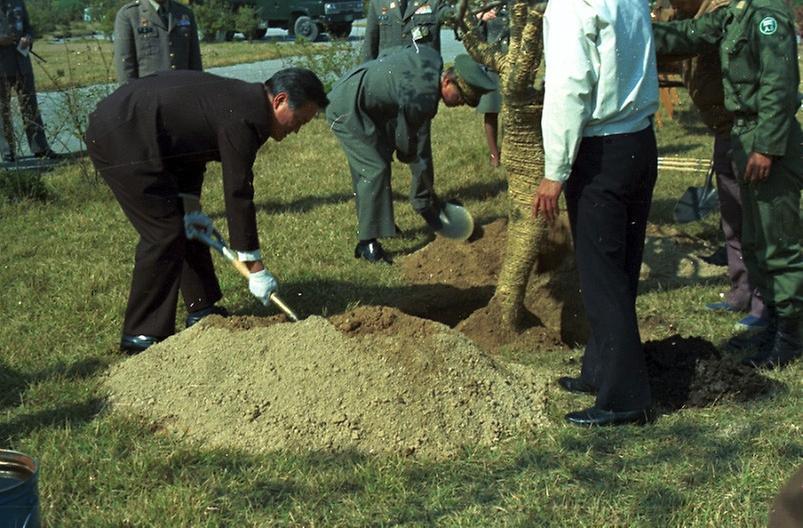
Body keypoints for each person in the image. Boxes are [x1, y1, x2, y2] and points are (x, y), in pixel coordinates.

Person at [85, 68, 328, 354]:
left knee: (187, 224)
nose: (296, 129)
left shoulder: (249, 105)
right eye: (298, 120)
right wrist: (253, 266)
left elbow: (193, 148)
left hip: (154, 138)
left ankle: (202, 309)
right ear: (280, 101)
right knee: (164, 231)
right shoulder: (246, 116)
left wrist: (191, 203)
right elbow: (237, 192)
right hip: (123, 134)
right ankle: (140, 333)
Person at [653, 0, 802, 368]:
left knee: (778, 242)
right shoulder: (733, 13)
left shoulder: (767, 15)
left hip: (768, 143)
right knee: (754, 239)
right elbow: (687, 35)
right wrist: (624, 27)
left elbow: (779, 85)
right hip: (743, 137)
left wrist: (766, 147)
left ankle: (791, 336)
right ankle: (769, 324)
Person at [533, 0, 660, 426]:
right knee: (619, 269)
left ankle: (624, 399)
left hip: (602, 148)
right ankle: (601, 371)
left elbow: (570, 86)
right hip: (639, 140)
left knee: (601, 275)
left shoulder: (571, 7)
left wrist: (555, 171)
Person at [657, 0, 768, 331]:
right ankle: (741, 291)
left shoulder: (721, 9)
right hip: (723, 128)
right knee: (732, 216)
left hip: (747, 130)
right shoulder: (689, 13)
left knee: (756, 221)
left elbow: (692, 40)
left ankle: (764, 304)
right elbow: (671, 47)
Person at [326, 46, 495, 263]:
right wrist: (416, 166)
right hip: (347, 107)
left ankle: (376, 221)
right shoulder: (423, 99)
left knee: (378, 160)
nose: (461, 103)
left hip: (360, 93)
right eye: (461, 97)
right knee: (374, 168)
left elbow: (392, 53)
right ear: (446, 82)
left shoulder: (431, 57)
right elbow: (405, 145)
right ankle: (367, 243)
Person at [362, 0, 454, 237]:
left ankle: (424, 202)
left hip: (418, 89)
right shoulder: (378, 4)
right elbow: (369, 48)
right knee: (379, 157)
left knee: (420, 148)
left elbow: (454, 17)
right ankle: (383, 220)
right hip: (384, 90)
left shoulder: (433, 2)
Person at [0, 0, 54, 162]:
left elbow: (29, 27)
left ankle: (40, 148)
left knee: (31, 107)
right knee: (2, 110)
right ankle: (8, 152)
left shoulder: (18, 2)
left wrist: (28, 38)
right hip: (1, 66)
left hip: (22, 62)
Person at [113, 0, 202, 84]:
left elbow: (195, 62)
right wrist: (132, 97)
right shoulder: (130, 15)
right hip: (149, 94)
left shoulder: (184, 13)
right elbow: (126, 67)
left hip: (182, 91)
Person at [475, 6, 508, 167]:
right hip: (491, 64)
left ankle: (511, 151)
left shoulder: (514, 6)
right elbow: (473, 37)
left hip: (513, 63)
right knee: (491, 110)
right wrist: (480, 19)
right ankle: (494, 153)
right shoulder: (483, 6)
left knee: (514, 111)